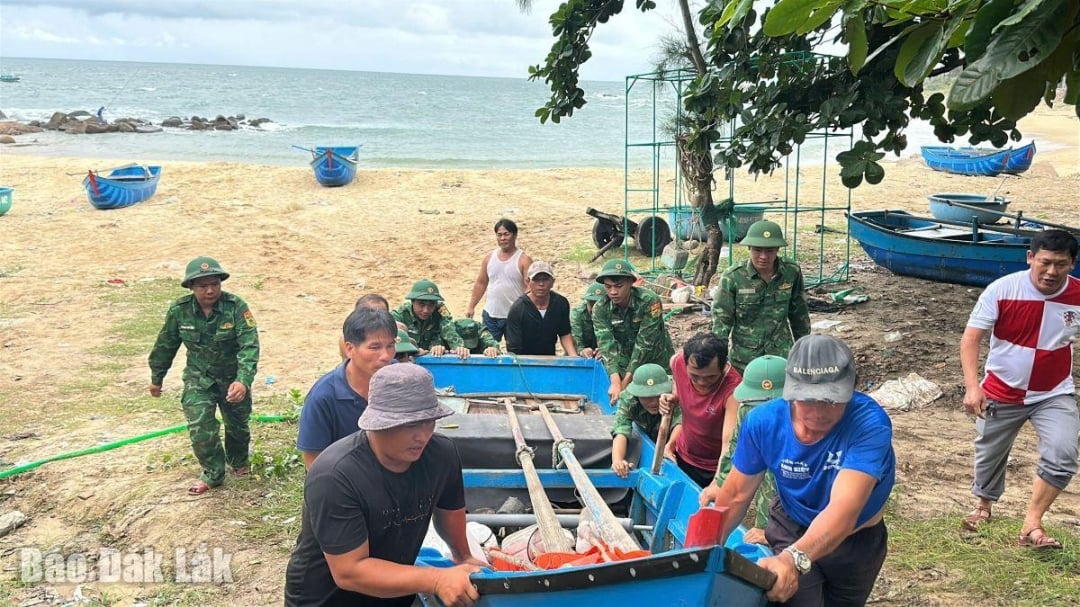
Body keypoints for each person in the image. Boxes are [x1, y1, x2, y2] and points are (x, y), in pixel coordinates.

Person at [700, 334, 895, 607]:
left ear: (851, 390)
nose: (817, 412)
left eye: (830, 401)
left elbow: (844, 508)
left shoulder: (869, 425)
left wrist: (793, 558)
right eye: (806, 400)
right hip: (792, 522)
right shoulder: (764, 423)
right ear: (789, 392)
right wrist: (703, 552)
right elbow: (734, 496)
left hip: (855, 541)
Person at [284, 364, 486, 607]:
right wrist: (436, 580)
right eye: (410, 425)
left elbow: (449, 512)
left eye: (428, 421)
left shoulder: (441, 454)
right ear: (378, 423)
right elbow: (350, 572)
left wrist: (463, 556)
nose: (422, 435)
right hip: (327, 599)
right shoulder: (335, 475)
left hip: (394, 593)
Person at [959, 229, 1080, 549]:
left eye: (1061, 264)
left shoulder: (1078, 296)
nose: (1052, 272)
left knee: (1063, 453)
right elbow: (971, 339)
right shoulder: (1002, 290)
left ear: (1073, 264)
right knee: (990, 452)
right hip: (1001, 390)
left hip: (1053, 393)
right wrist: (973, 387)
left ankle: (1032, 524)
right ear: (1030, 257)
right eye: (1045, 262)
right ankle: (983, 506)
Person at [148, 256, 260, 495]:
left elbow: (249, 345)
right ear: (191, 287)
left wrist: (243, 380)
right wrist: (157, 377)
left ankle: (239, 461)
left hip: (232, 379)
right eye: (202, 286)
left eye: (215, 284)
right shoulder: (180, 311)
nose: (210, 290)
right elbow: (165, 345)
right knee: (200, 426)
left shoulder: (236, 307)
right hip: (199, 380)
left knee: (237, 427)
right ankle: (213, 472)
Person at [299, 307, 398, 468]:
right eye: (375, 347)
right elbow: (314, 464)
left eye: (390, 346)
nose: (386, 356)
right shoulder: (323, 397)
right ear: (350, 349)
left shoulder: (400, 379)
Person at [712, 220, 811, 372]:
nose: (763, 256)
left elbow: (799, 314)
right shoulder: (733, 277)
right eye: (757, 250)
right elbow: (722, 320)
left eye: (770, 250)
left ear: (778, 249)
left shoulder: (791, 272)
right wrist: (719, 359)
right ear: (749, 248)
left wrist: (804, 350)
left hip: (781, 355)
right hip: (745, 359)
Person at [714, 354, 787, 545]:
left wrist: (769, 531)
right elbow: (734, 450)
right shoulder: (747, 410)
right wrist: (719, 484)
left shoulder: (806, 426)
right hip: (765, 490)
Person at [658, 333, 742, 487]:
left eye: (710, 377)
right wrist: (675, 397)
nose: (702, 382)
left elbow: (729, 442)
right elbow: (678, 381)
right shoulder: (677, 363)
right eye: (694, 376)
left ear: (724, 366)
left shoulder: (734, 391)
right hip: (683, 454)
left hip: (714, 467)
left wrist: (717, 483)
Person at [592, 259, 675, 404]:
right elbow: (606, 345)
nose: (613, 292)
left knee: (661, 401)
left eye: (619, 286)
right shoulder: (601, 308)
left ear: (631, 283)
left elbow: (645, 344)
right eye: (608, 287)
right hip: (625, 360)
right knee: (631, 403)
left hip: (656, 359)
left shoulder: (649, 301)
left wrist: (625, 384)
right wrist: (615, 380)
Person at [465, 218, 533, 342]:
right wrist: (471, 306)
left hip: (515, 317)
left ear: (515, 235)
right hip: (490, 315)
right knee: (488, 350)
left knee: (516, 352)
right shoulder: (489, 258)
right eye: (499, 235)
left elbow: (530, 288)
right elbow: (481, 283)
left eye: (506, 234)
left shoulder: (524, 260)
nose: (503, 238)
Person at [610, 364, 682, 478]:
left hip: (674, 439)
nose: (653, 403)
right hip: (648, 429)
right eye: (646, 397)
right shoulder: (628, 398)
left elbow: (681, 423)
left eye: (657, 396)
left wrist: (669, 447)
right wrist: (617, 460)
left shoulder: (676, 392)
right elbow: (621, 429)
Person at [505, 261, 576, 356]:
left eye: (545, 279)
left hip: (550, 359)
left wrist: (574, 357)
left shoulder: (560, 304)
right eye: (536, 280)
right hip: (525, 361)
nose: (541, 284)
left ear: (552, 282)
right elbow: (514, 348)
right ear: (528, 282)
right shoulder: (518, 309)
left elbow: (565, 333)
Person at [392, 279, 468, 358]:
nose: (426, 310)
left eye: (431, 305)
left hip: (433, 352)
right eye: (421, 304)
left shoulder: (440, 309)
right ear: (412, 301)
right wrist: (415, 350)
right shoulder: (399, 315)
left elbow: (449, 330)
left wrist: (458, 348)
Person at [339, 293, 392, 360]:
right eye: (374, 347)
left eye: (390, 346)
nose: (376, 317)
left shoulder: (398, 332)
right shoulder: (346, 340)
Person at [571, 281, 606, 359]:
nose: (595, 308)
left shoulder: (613, 313)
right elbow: (575, 338)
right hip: (579, 357)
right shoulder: (578, 314)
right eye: (591, 304)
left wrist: (606, 349)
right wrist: (581, 350)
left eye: (599, 304)